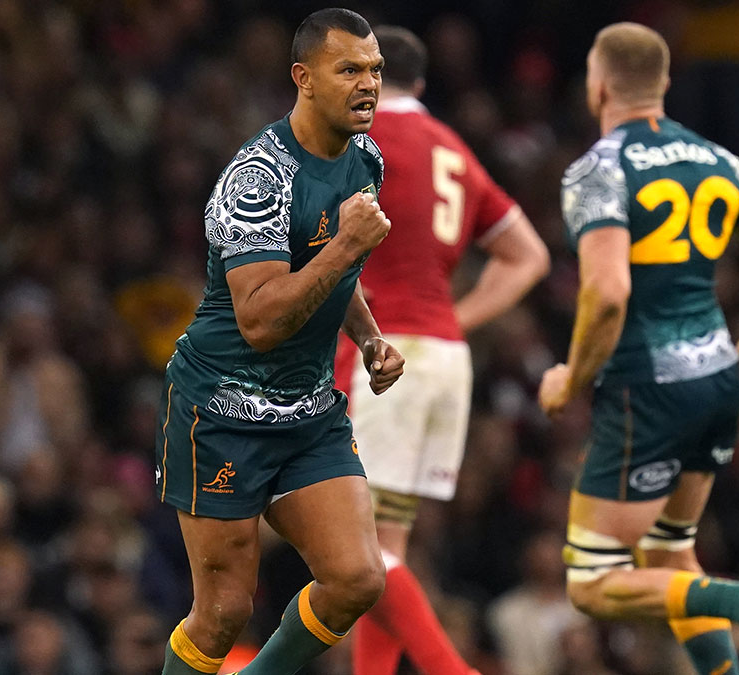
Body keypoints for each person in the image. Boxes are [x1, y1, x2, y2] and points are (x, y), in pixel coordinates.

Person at [538, 23, 739, 675]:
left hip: (646, 386)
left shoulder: (598, 169)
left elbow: (607, 293)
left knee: (592, 581)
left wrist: (570, 379)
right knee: (668, 554)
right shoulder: (716, 158)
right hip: (717, 376)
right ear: (663, 85)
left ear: (598, 84)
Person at [154, 9, 404, 675]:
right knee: (222, 615)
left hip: (309, 413)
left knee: (357, 577)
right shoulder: (258, 177)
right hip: (222, 412)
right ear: (304, 78)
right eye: (348, 69)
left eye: (375, 71)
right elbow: (261, 318)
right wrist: (348, 243)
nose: (369, 85)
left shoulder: (365, 159)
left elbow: (333, 274)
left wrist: (371, 336)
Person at [331, 25, 550, 675]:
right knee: (385, 543)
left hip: (384, 356)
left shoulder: (358, 140)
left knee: (350, 543)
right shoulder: (453, 148)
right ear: (421, 83)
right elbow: (528, 256)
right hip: (446, 358)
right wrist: (458, 316)